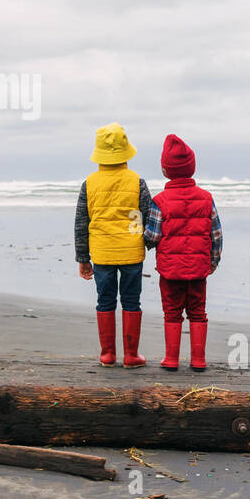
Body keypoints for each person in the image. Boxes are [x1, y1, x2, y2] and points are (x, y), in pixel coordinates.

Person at [74, 122, 154, 368]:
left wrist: (83, 258)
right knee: (131, 301)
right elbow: (149, 216)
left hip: (102, 254)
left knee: (105, 300)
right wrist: (149, 245)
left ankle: (107, 355)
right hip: (131, 254)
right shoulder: (137, 182)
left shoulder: (89, 183)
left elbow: (81, 223)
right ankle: (131, 356)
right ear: (125, 152)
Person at [143, 134, 222, 371]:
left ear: (165, 171)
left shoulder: (159, 200)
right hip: (199, 269)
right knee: (198, 312)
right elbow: (216, 234)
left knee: (172, 312)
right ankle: (198, 360)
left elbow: (153, 236)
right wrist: (213, 261)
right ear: (192, 168)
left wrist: (145, 241)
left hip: (170, 270)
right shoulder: (206, 198)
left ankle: (171, 359)